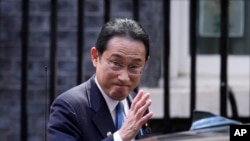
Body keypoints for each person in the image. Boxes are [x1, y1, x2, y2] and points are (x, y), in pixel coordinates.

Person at [47, 18, 153, 141]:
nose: (124, 77)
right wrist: (120, 137)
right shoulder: (69, 108)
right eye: (116, 63)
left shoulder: (138, 105)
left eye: (134, 67)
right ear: (95, 57)